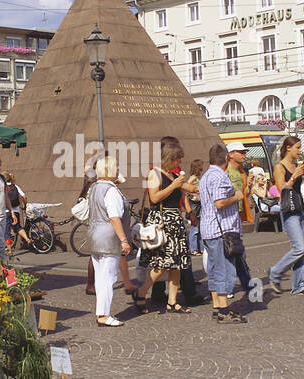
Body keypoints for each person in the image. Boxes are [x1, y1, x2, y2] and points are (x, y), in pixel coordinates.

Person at [134, 136, 197, 314]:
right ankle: (140, 293)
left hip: (176, 221)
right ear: (169, 158)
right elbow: (154, 198)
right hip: (163, 222)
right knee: (162, 264)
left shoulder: (173, 174)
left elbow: (187, 191)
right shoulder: (155, 173)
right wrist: (173, 186)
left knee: (177, 264)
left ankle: (172, 301)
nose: (179, 162)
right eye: (177, 159)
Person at [200, 143, 247, 323]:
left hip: (209, 228)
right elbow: (219, 203)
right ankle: (224, 309)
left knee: (213, 268)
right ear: (226, 158)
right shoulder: (219, 176)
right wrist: (236, 196)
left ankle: (216, 305)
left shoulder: (206, 176)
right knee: (222, 269)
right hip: (220, 229)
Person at [86, 156, 133, 327]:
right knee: (108, 277)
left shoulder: (94, 187)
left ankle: (102, 311)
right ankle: (103, 314)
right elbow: (114, 218)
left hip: (94, 235)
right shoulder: (111, 190)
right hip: (108, 238)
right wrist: (124, 240)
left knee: (100, 276)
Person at [267, 136, 304, 295]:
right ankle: (275, 272)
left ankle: (299, 285)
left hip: (301, 209)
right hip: (289, 212)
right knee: (298, 247)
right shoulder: (280, 167)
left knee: (303, 250)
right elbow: (281, 189)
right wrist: (293, 177)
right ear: (288, 148)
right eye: (297, 148)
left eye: (300, 147)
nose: (300, 151)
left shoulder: (295, 165)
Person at [223, 142, 255, 296]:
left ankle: (245, 285)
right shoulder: (226, 171)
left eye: (244, 152)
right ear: (230, 154)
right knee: (233, 252)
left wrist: (247, 186)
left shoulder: (241, 171)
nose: (244, 155)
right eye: (241, 152)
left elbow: (244, 195)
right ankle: (231, 287)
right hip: (227, 217)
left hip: (237, 216)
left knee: (238, 252)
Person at [4, 172, 32, 250]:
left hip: (6, 212)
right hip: (16, 211)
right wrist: (25, 205)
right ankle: (27, 239)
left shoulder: (2, 187)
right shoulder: (15, 186)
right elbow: (24, 197)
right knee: (18, 227)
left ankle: (9, 251)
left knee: (6, 232)